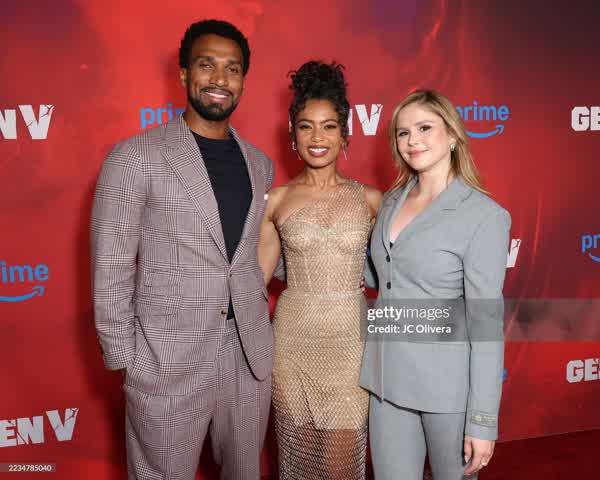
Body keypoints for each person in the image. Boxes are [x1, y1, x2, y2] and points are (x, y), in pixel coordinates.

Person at [91, 19, 277, 480]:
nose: (220, 79)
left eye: (232, 69)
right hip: (165, 359)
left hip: (247, 355)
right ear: (183, 74)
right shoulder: (135, 157)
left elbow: (252, 253)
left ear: (243, 80)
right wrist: (128, 361)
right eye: (206, 65)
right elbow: (111, 266)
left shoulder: (261, 164)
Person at [360, 90, 511, 479]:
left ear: (453, 136)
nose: (413, 140)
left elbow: (486, 324)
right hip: (386, 380)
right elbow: (382, 275)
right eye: (403, 132)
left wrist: (482, 420)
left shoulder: (484, 216)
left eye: (425, 128)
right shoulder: (391, 202)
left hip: (449, 391)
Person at [258, 61, 381, 480]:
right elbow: (255, 282)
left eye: (329, 127)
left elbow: (399, 276)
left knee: (342, 466)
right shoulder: (276, 200)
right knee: (298, 463)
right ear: (292, 135)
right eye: (306, 126)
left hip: (350, 345)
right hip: (291, 343)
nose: (317, 138)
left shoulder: (371, 200)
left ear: (345, 135)